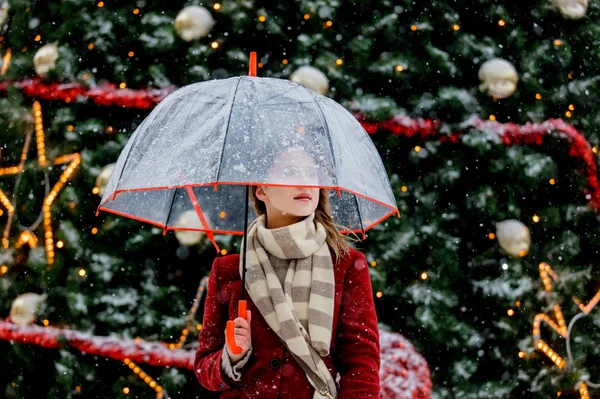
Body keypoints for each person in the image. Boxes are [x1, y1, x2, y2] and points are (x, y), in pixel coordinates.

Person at [194, 147, 381, 398]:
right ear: (262, 190)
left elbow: (362, 365)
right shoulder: (229, 270)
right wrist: (232, 356)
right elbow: (204, 369)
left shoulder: (346, 265)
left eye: (311, 174)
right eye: (291, 172)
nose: (304, 182)